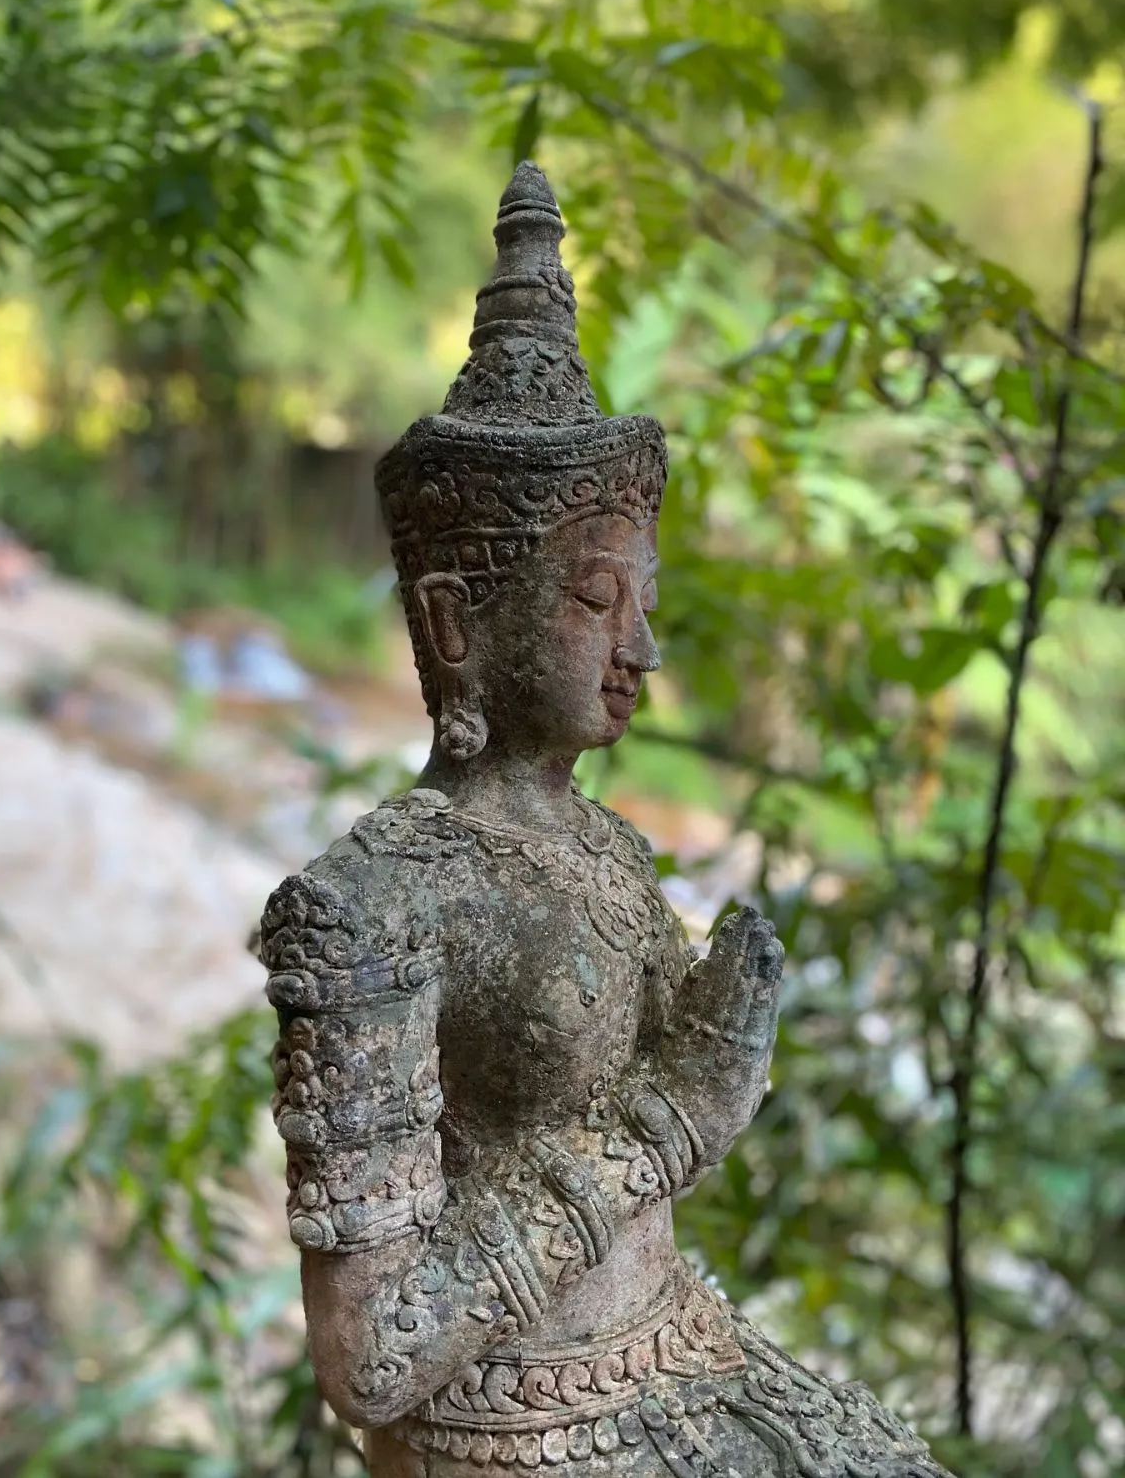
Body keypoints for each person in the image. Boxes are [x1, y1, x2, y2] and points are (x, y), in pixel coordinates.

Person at [258, 163, 951, 1478]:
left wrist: (725, 1041)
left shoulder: (614, 852)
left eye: (644, 602)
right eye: (594, 601)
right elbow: (372, 1359)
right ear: (457, 623)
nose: (642, 647)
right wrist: (671, 1119)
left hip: (680, 1353)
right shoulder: (368, 907)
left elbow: (682, 1104)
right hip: (518, 1430)